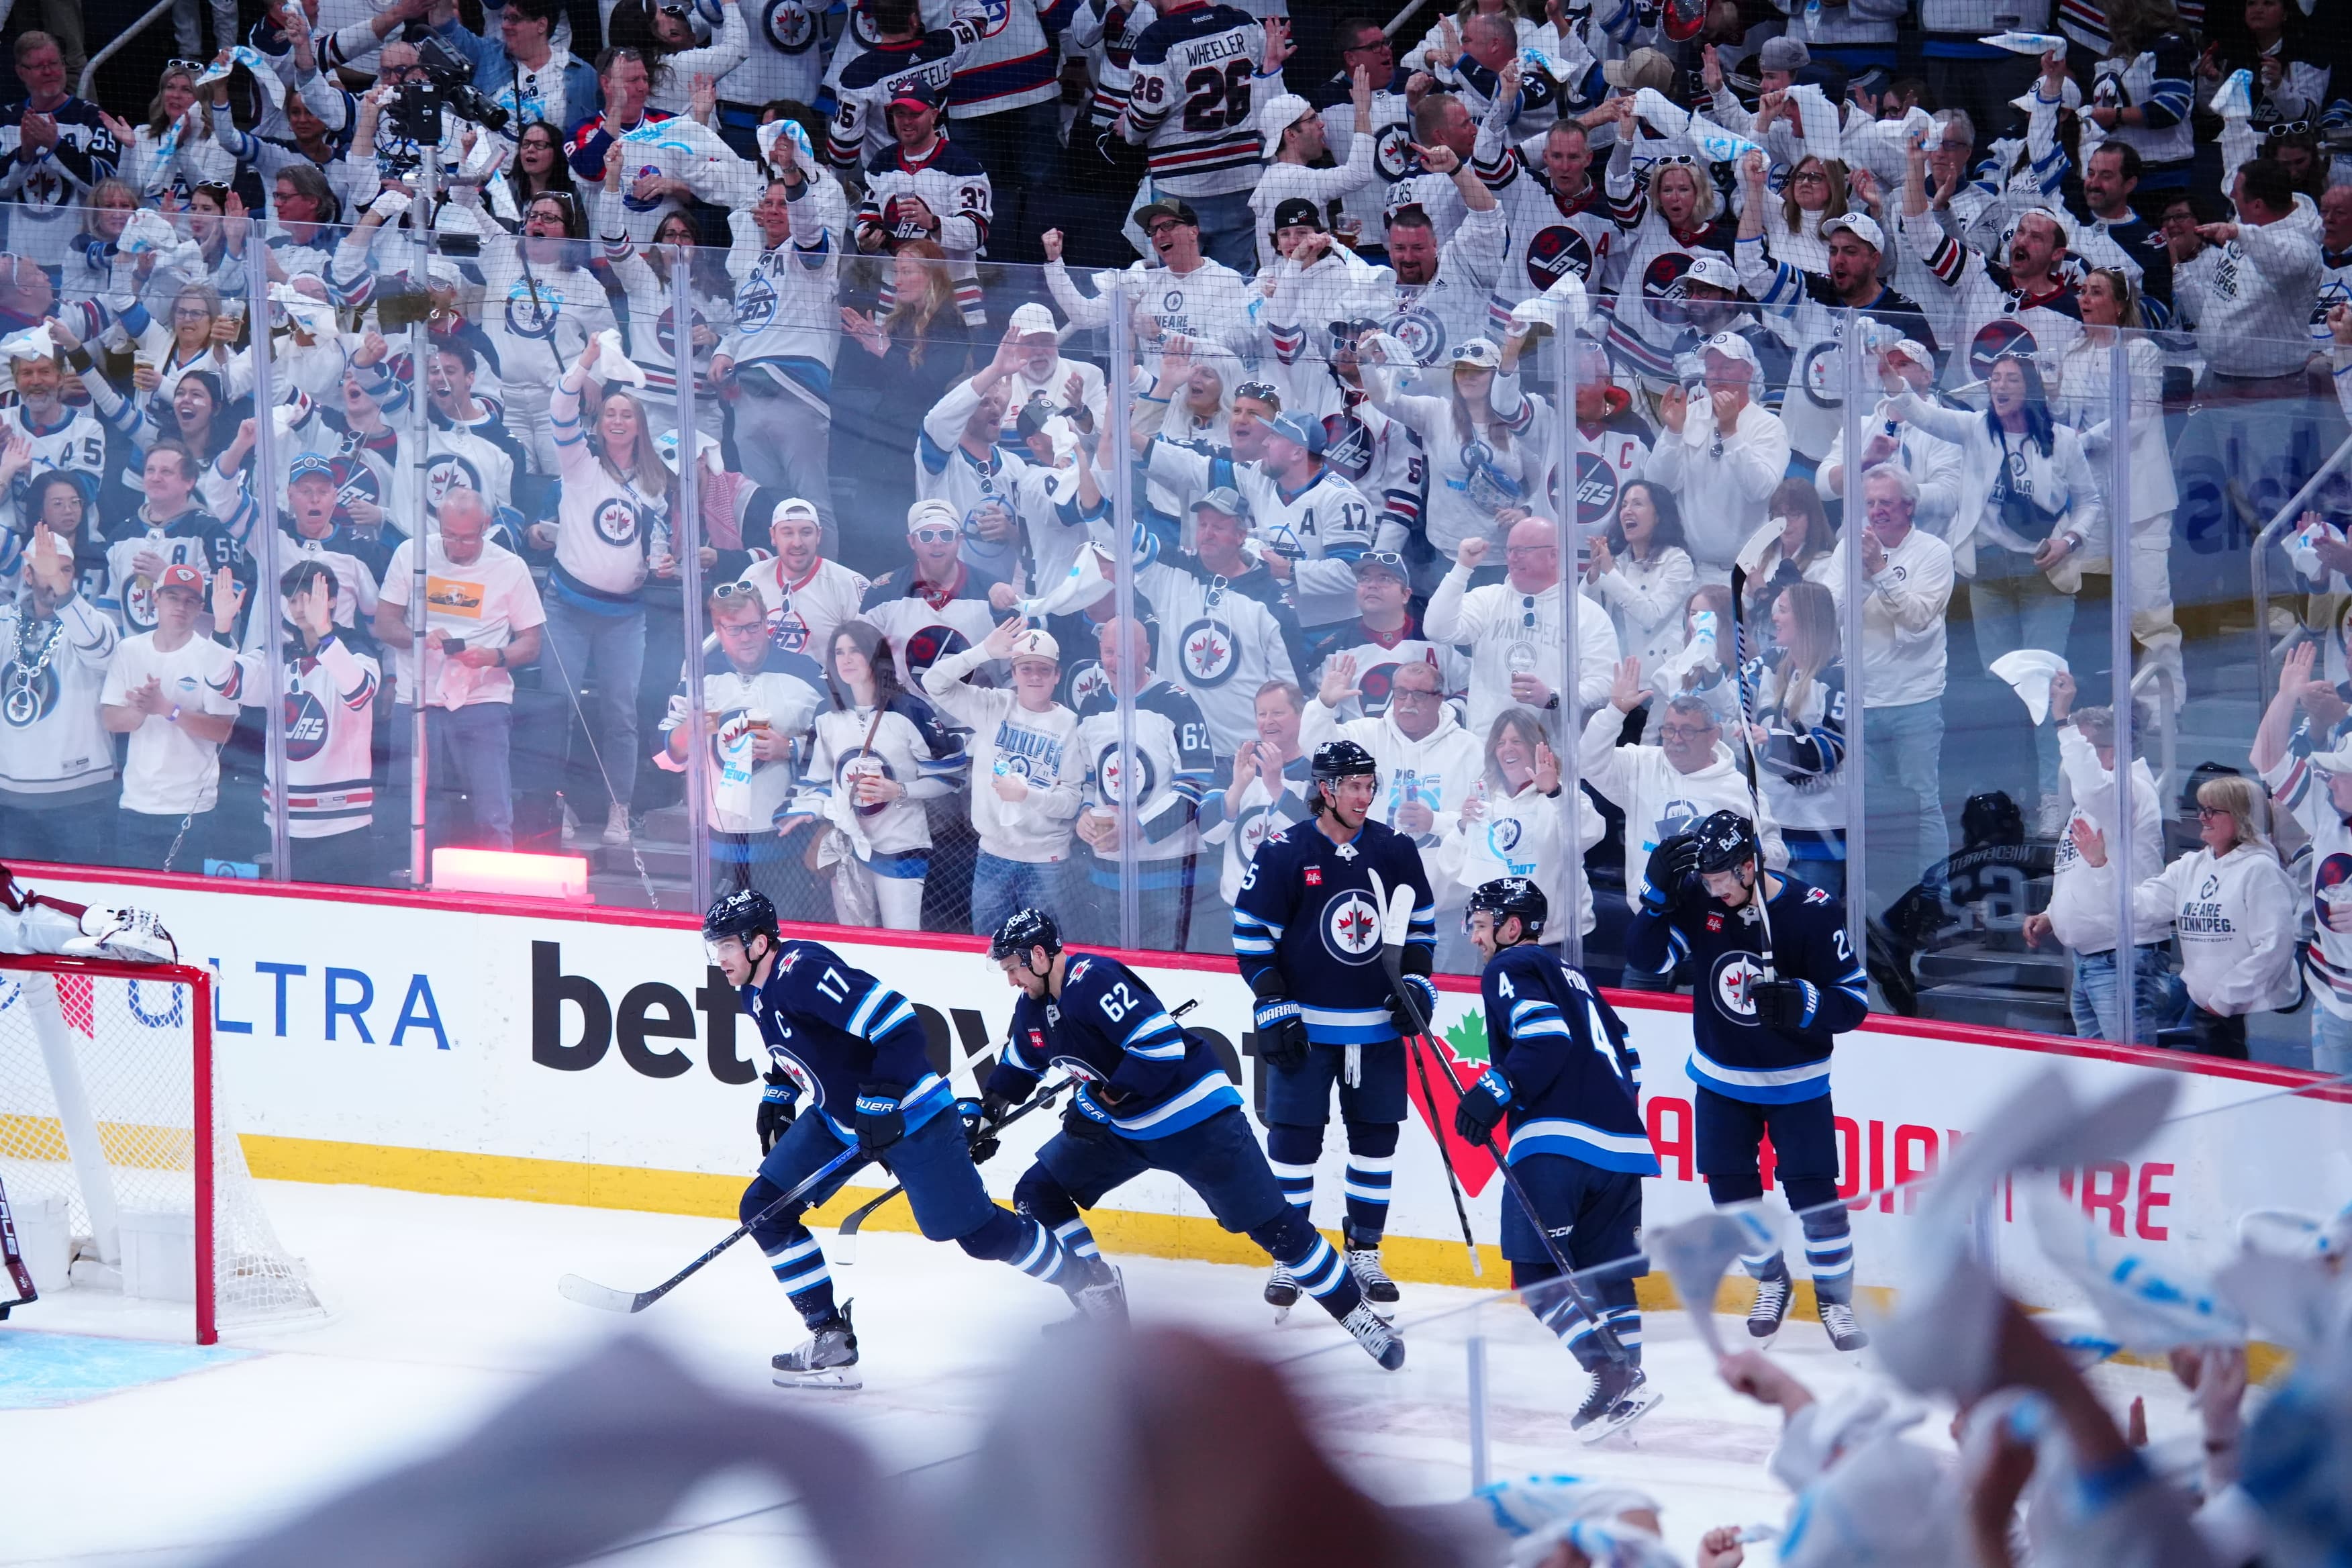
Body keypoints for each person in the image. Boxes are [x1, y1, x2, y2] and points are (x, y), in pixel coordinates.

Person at [701, 889, 1101, 1390]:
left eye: (726, 946)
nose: (719, 959)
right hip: (836, 1120)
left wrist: (881, 1098)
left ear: (759, 943)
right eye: (714, 947)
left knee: (977, 1234)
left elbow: (898, 1023)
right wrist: (779, 1092)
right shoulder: (752, 987)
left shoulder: (801, 971)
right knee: (766, 1208)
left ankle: (1089, 1282)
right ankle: (829, 1336)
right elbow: (800, 1042)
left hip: (913, 1118)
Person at [984, 907, 1405, 1367]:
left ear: (1039, 955)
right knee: (1037, 1192)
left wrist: (1099, 1101)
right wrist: (985, 1112)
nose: (1011, 981)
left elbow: (1161, 1050)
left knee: (1277, 1229)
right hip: (1125, 1129)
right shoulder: (1033, 1009)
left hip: (1197, 1121)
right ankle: (1099, 1295)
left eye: (1013, 969)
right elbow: (1018, 1068)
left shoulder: (1095, 981)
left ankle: (1360, 1317)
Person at [1624, 810, 1870, 1351]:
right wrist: (1657, 897)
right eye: (1704, 881)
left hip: (1797, 1083)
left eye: (1721, 880)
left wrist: (1804, 1003)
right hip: (1720, 1080)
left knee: (1814, 1197)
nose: (1712, 891)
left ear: (1751, 865)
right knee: (1732, 1195)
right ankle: (1771, 1279)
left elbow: (1854, 1003)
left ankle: (1835, 1298)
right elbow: (1646, 959)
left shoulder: (1811, 911)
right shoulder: (1699, 899)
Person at [1232, 738, 1436, 1317]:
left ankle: (1364, 1252)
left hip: (1376, 1030)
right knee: (1294, 1143)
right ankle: (1292, 1256)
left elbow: (1418, 930)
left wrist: (1418, 986)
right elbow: (1251, 937)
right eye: (1353, 786)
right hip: (1307, 1028)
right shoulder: (1282, 853)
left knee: (1376, 1141)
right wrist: (1272, 1000)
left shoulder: (1395, 850)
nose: (1364, 796)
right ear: (1325, 790)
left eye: (1370, 785)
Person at [1453, 876, 1661, 1434]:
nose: (1475, 939)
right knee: (1610, 1271)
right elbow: (1631, 1057)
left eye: (1479, 925)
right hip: (1622, 1147)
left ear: (1511, 926)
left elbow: (1544, 1039)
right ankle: (1628, 1390)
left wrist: (1494, 1091)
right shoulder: (1579, 978)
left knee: (1535, 1270)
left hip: (1556, 1144)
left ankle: (1609, 1373)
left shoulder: (1509, 968)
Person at [1886, 353, 2103, 828]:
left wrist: (2071, 540)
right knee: (2002, 691)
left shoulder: (2062, 441)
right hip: (1986, 573)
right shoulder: (1975, 429)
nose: (2000, 387)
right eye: (1995, 380)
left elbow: (2089, 500)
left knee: (2044, 687)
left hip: (2043, 574)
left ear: (2029, 388)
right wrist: (1892, 380)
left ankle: (2050, 795)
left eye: (2010, 379)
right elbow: (1923, 413)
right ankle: (2007, 796)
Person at [373, 489, 547, 856]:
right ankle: (410, 890)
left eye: (467, 537)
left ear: (486, 526)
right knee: (412, 807)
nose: (458, 545)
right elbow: (385, 625)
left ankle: (496, 891)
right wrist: (420, 638)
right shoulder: (412, 554)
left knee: (492, 809)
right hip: (417, 695)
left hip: (483, 697)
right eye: (449, 534)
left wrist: (494, 656)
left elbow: (531, 643)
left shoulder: (509, 567)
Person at [1826, 464, 1954, 911]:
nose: (1876, 512)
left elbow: (1918, 619)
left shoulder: (1934, 553)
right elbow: (1829, 609)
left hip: (1915, 699)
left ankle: (1935, 896)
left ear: (1909, 506)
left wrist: (1879, 569)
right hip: (1860, 699)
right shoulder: (1850, 548)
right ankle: (1879, 896)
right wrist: (1862, 572)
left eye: (1885, 502)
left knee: (1922, 801)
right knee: (1866, 807)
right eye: (1870, 503)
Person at [2053, 266, 2182, 703]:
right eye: (2083, 291)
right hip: (2091, 501)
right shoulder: (2071, 352)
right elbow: (2064, 418)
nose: (2085, 299)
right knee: (2096, 606)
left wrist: (2080, 443)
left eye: (2097, 292)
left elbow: (2138, 418)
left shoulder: (2141, 352)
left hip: (2140, 501)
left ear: (2121, 304)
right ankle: (2105, 702)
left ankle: (2164, 707)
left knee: (2150, 613)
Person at [782, 618, 963, 931]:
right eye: (839, 652)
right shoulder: (827, 715)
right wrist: (808, 811)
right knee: (855, 940)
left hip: (901, 845)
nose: (847, 659)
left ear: (875, 656)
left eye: (856, 650)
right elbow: (822, 781)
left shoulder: (910, 711)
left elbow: (949, 777)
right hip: (848, 845)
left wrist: (900, 791)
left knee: (903, 938)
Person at [2020, 684, 2177, 1045]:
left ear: (2112, 750)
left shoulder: (2129, 789)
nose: (2075, 760)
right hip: (2092, 959)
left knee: (2131, 1073)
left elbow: (2091, 785)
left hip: (2123, 958)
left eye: (2084, 747)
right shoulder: (2097, 800)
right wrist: (2052, 914)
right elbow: (2079, 869)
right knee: (2098, 1075)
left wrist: (2063, 719)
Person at [656, 582, 827, 902]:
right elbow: (665, 752)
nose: (746, 638)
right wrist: (687, 732)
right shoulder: (699, 674)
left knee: (782, 940)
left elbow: (837, 749)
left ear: (766, 622)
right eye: (734, 630)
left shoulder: (805, 672)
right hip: (718, 845)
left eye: (753, 626)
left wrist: (789, 748)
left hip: (785, 841)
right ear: (718, 631)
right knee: (726, 943)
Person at [1583, 656, 1788, 914]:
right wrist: (1616, 711)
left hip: (1717, 919)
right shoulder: (1641, 765)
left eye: (1687, 731)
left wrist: (1747, 855)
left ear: (1713, 736)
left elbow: (1777, 854)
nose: (1675, 740)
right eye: (1669, 730)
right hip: (1650, 913)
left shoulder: (1739, 789)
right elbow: (1589, 761)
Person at [922, 620, 1083, 936]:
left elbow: (1072, 803)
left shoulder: (1070, 725)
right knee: (990, 951)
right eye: (1026, 669)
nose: (1035, 676)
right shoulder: (993, 705)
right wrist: (983, 651)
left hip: (1046, 861)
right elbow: (933, 682)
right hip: (993, 855)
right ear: (1013, 671)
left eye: (1044, 669)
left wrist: (1027, 796)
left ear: (1057, 675)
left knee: (1044, 957)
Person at [2125, 773, 2298, 1062]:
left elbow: (2274, 948)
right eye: (2201, 809)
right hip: (2210, 1009)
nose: (2202, 817)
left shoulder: (2260, 870)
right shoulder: (2192, 865)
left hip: (2254, 1016)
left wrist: (2224, 1000)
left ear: (2242, 817)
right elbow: (2144, 905)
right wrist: (2103, 866)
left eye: (2212, 811)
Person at [714, 172, 844, 550]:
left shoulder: (814, 255)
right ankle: (775, 588)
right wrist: (725, 351)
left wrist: (793, 178)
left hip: (796, 393)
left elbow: (808, 230)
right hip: (749, 398)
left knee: (811, 504)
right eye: (768, 204)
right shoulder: (754, 264)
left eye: (783, 204)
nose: (773, 211)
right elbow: (745, 325)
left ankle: (828, 591)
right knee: (770, 506)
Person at [1070, 615, 1214, 942]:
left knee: (1164, 972)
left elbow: (1197, 785)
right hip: (1107, 871)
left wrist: (1139, 827)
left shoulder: (1177, 703)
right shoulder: (1091, 705)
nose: (1114, 662)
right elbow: (1088, 778)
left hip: (1167, 872)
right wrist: (1084, 814)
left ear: (1146, 653)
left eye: (1124, 652)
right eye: (1108, 652)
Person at [1114, 0, 1281, 271]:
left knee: (1179, 283)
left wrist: (1129, 126)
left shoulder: (1157, 38)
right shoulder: (1244, 23)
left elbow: (1147, 112)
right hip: (1244, 179)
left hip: (1182, 187)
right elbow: (1268, 85)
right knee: (1235, 285)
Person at [1435, 708, 1604, 969]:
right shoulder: (1485, 802)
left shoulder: (1562, 793)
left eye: (1517, 741)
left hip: (1555, 942)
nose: (1507, 749)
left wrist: (1555, 793)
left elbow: (1589, 834)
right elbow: (1454, 867)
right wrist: (1463, 827)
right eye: (1500, 743)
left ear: (1537, 747)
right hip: (1496, 943)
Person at [2251, 644, 2352, 1079]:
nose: (2329, 779)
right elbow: (2266, 758)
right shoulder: (2326, 807)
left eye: (2341, 773)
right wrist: (2287, 695)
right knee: (2329, 1126)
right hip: (2332, 998)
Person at [1423, 518, 1619, 740]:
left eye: (1522, 550)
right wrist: (1462, 568)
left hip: (1553, 754)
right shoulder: (1487, 600)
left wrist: (1552, 697)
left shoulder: (1586, 613)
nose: (1513, 558)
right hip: (1486, 747)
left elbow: (1605, 684)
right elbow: (1436, 629)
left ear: (1554, 556)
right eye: (1510, 550)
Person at [99, 562, 238, 871]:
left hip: (193, 808)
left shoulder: (212, 655)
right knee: (135, 906)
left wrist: (167, 709)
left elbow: (225, 732)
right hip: (136, 803)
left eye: (190, 600)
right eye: (173, 597)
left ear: (201, 608)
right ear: (156, 600)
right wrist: (139, 709)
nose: (181, 606)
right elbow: (110, 720)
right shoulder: (128, 650)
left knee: (189, 907)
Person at [0, 523, 118, 867]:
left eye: (65, 570)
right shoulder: (4, 623)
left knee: (84, 909)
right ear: (27, 573)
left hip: (78, 800)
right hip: (11, 800)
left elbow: (101, 651)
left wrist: (64, 590)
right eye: (47, 569)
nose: (55, 577)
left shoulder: (96, 623)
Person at [1301, 652, 1484, 855]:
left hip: (1444, 878)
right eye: (1401, 693)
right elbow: (1315, 749)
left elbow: (1485, 817)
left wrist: (1436, 822)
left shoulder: (1469, 748)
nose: (1408, 703)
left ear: (1439, 699)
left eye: (1419, 695)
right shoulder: (1367, 735)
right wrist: (1324, 704)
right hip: (1376, 871)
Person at [1643, 333, 1793, 581]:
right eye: (1711, 367)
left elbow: (1761, 490)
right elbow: (1658, 485)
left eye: (1727, 366)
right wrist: (1673, 432)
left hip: (1748, 571)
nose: (1716, 374)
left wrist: (1730, 432)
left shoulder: (1768, 426)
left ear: (1748, 372)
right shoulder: (1688, 415)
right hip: (1692, 568)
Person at [852, 82, 992, 329]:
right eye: (900, 114)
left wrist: (932, 222)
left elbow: (977, 233)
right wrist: (867, 239)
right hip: (897, 296)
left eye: (915, 114)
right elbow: (868, 217)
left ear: (934, 114)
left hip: (954, 292)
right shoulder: (882, 163)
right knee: (889, 362)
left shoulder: (961, 165)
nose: (906, 122)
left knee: (963, 366)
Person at [1748, 581, 1849, 897]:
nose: (1775, 617)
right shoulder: (1768, 662)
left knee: (1811, 929)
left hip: (1819, 836)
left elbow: (1831, 750)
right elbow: (1732, 706)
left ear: (1807, 617)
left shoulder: (1838, 675)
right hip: (1769, 827)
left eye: (1783, 609)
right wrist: (1708, 676)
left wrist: (1773, 740)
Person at [0, 33, 123, 271]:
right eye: (39, 66)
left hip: (77, 262)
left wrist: (55, 145)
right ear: (21, 72)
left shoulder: (91, 118)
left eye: (54, 63)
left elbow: (106, 184)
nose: (49, 72)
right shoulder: (6, 120)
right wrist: (24, 154)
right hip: (17, 265)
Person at [1248, 70, 1379, 275]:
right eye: (1311, 120)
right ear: (1290, 134)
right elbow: (1359, 174)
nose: (1321, 124)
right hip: (1299, 292)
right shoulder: (1292, 179)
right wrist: (1362, 110)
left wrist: (1335, 243)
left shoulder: (1281, 176)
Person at [1199, 679, 1313, 908]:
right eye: (1262, 714)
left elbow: (1317, 840)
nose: (1268, 722)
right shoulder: (1237, 765)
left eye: (1277, 713)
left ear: (1300, 716)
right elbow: (1208, 831)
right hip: (1237, 909)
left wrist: (1275, 786)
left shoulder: (1315, 770)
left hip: (1296, 911)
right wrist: (1238, 787)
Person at [1585, 478, 1695, 684]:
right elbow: (1587, 614)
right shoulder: (1619, 561)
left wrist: (1609, 571)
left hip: (1659, 678)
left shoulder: (1678, 561)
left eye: (1637, 504)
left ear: (1658, 517)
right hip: (1616, 675)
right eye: (1624, 505)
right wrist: (1594, 572)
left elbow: (1650, 616)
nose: (1627, 511)